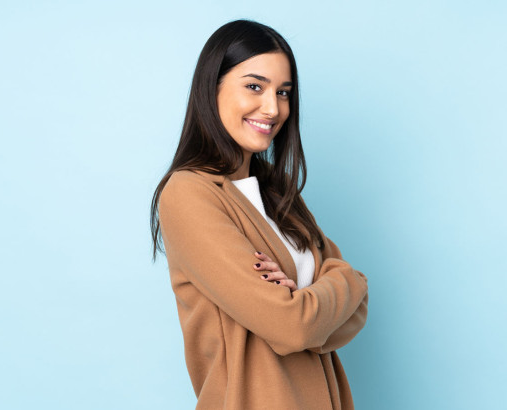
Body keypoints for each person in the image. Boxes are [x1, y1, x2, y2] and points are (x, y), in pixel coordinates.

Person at [150, 19, 369, 409]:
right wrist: (331, 291)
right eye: (255, 86)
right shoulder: (189, 194)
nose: (273, 108)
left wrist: (326, 291)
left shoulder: (277, 191)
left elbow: (358, 304)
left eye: (283, 92)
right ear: (211, 87)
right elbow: (292, 327)